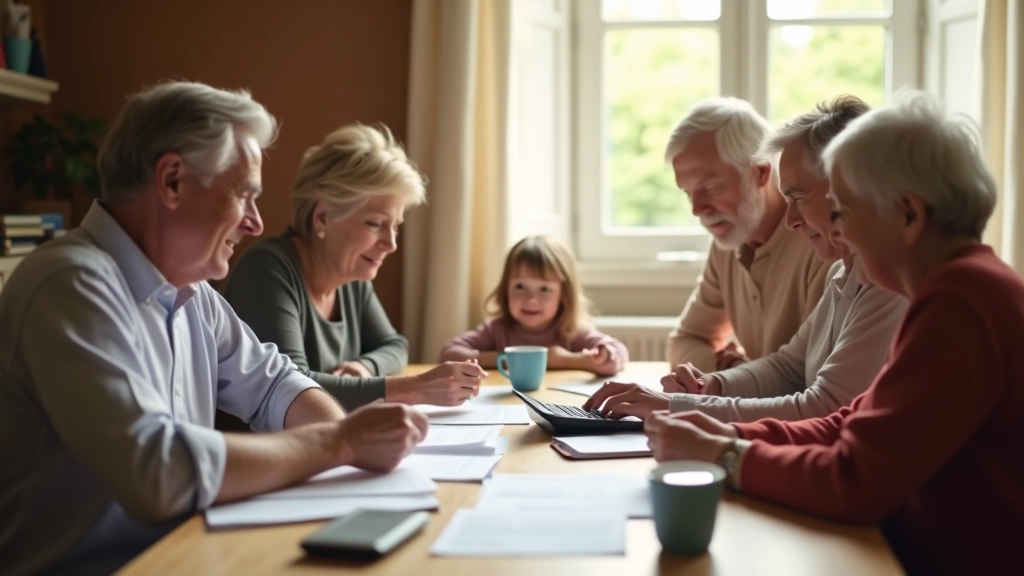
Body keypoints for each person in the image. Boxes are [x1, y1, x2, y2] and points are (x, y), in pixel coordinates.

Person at [0, 82, 428, 576]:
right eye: (245, 194)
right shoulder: (70, 285)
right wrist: (343, 443)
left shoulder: (192, 292)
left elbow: (276, 385)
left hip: (183, 554)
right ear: (173, 181)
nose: (254, 223)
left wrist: (348, 438)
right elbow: (157, 471)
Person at [643, 92, 1024, 574]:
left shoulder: (962, 301)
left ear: (907, 216)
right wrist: (723, 430)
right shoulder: (955, 288)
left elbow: (855, 478)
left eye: (844, 212)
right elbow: (850, 420)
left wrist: (726, 453)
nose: (837, 233)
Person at [586, 96, 907, 423]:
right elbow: (788, 368)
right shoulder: (844, 271)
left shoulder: (885, 278)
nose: (791, 220)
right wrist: (711, 386)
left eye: (798, 197)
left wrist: (679, 407)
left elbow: (826, 407)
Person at [223, 124, 485, 411]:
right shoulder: (266, 269)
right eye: (375, 223)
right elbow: (290, 388)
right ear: (322, 217)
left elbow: (395, 346)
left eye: (395, 227)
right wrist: (416, 388)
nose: (391, 243)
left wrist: (365, 366)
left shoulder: (351, 277)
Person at [665, 97, 832, 373]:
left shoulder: (822, 241)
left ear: (761, 172)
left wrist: (736, 377)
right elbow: (685, 340)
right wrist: (727, 371)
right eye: (688, 192)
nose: (697, 209)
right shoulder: (728, 240)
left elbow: (811, 377)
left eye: (710, 186)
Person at [439, 235, 628, 376]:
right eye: (520, 287)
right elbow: (448, 354)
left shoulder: (572, 331)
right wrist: (510, 359)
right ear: (506, 289)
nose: (531, 299)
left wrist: (562, 360)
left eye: (544, 289)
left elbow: (616, 358)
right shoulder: (497, 329)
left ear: (564, 294)